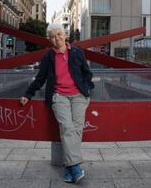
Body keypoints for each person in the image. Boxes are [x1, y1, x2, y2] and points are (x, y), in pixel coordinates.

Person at [19, 23, 94, 183]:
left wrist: (88, 89)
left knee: (76, 131)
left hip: (78, 96)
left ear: (65, 35)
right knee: (67, 128)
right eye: (53, 36)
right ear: (50, 40)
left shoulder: (76, 52)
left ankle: (68, 169)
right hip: (59, 96)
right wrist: (28, 94)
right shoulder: (48, 57)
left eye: (59, 34)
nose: (57, 38)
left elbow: (87, 73)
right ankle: (75, 167)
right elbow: (40, 79)